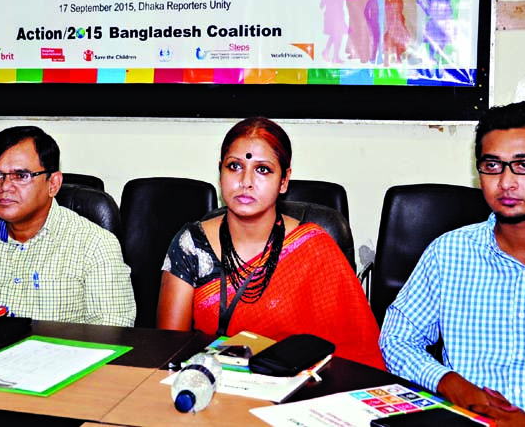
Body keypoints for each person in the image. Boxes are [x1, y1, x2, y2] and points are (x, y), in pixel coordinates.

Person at [379, 101, 525, 426]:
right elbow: (396, 339)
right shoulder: (449, 253)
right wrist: (447, 382)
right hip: (461, 419)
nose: (506, 182)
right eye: (492, 166)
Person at [157, 116, 385, 370]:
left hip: (296, 394)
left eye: (263, 169)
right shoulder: (191, 245)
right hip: (211, 388)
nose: (246, 181)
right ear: (220, 172)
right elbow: (170, 352)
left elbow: (358, 354)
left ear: (284, 180)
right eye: (234, 166)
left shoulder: (314, 247)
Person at [0, 126, 136, 327]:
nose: (4, 186)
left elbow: (112, 335)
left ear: (53, 184)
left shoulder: (95, 246)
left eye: (21, 176)